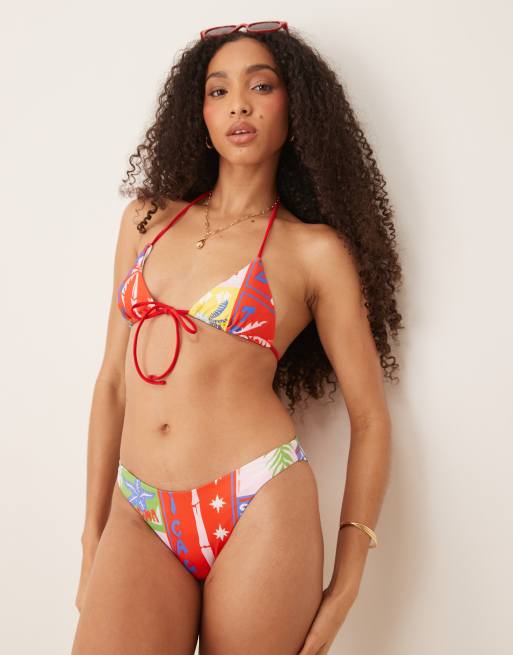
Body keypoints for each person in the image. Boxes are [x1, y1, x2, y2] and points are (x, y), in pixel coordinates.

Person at [71, 20, 401, 655]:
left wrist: (348, 581)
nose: (239, 105)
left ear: (295, 109)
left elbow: (369, 417)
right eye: (218, 91)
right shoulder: (146, 221)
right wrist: (92, 536)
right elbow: (111, 383)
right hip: (139, 508)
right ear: (198, 115)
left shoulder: (314, 252)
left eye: (261, 86)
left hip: (259, 501)